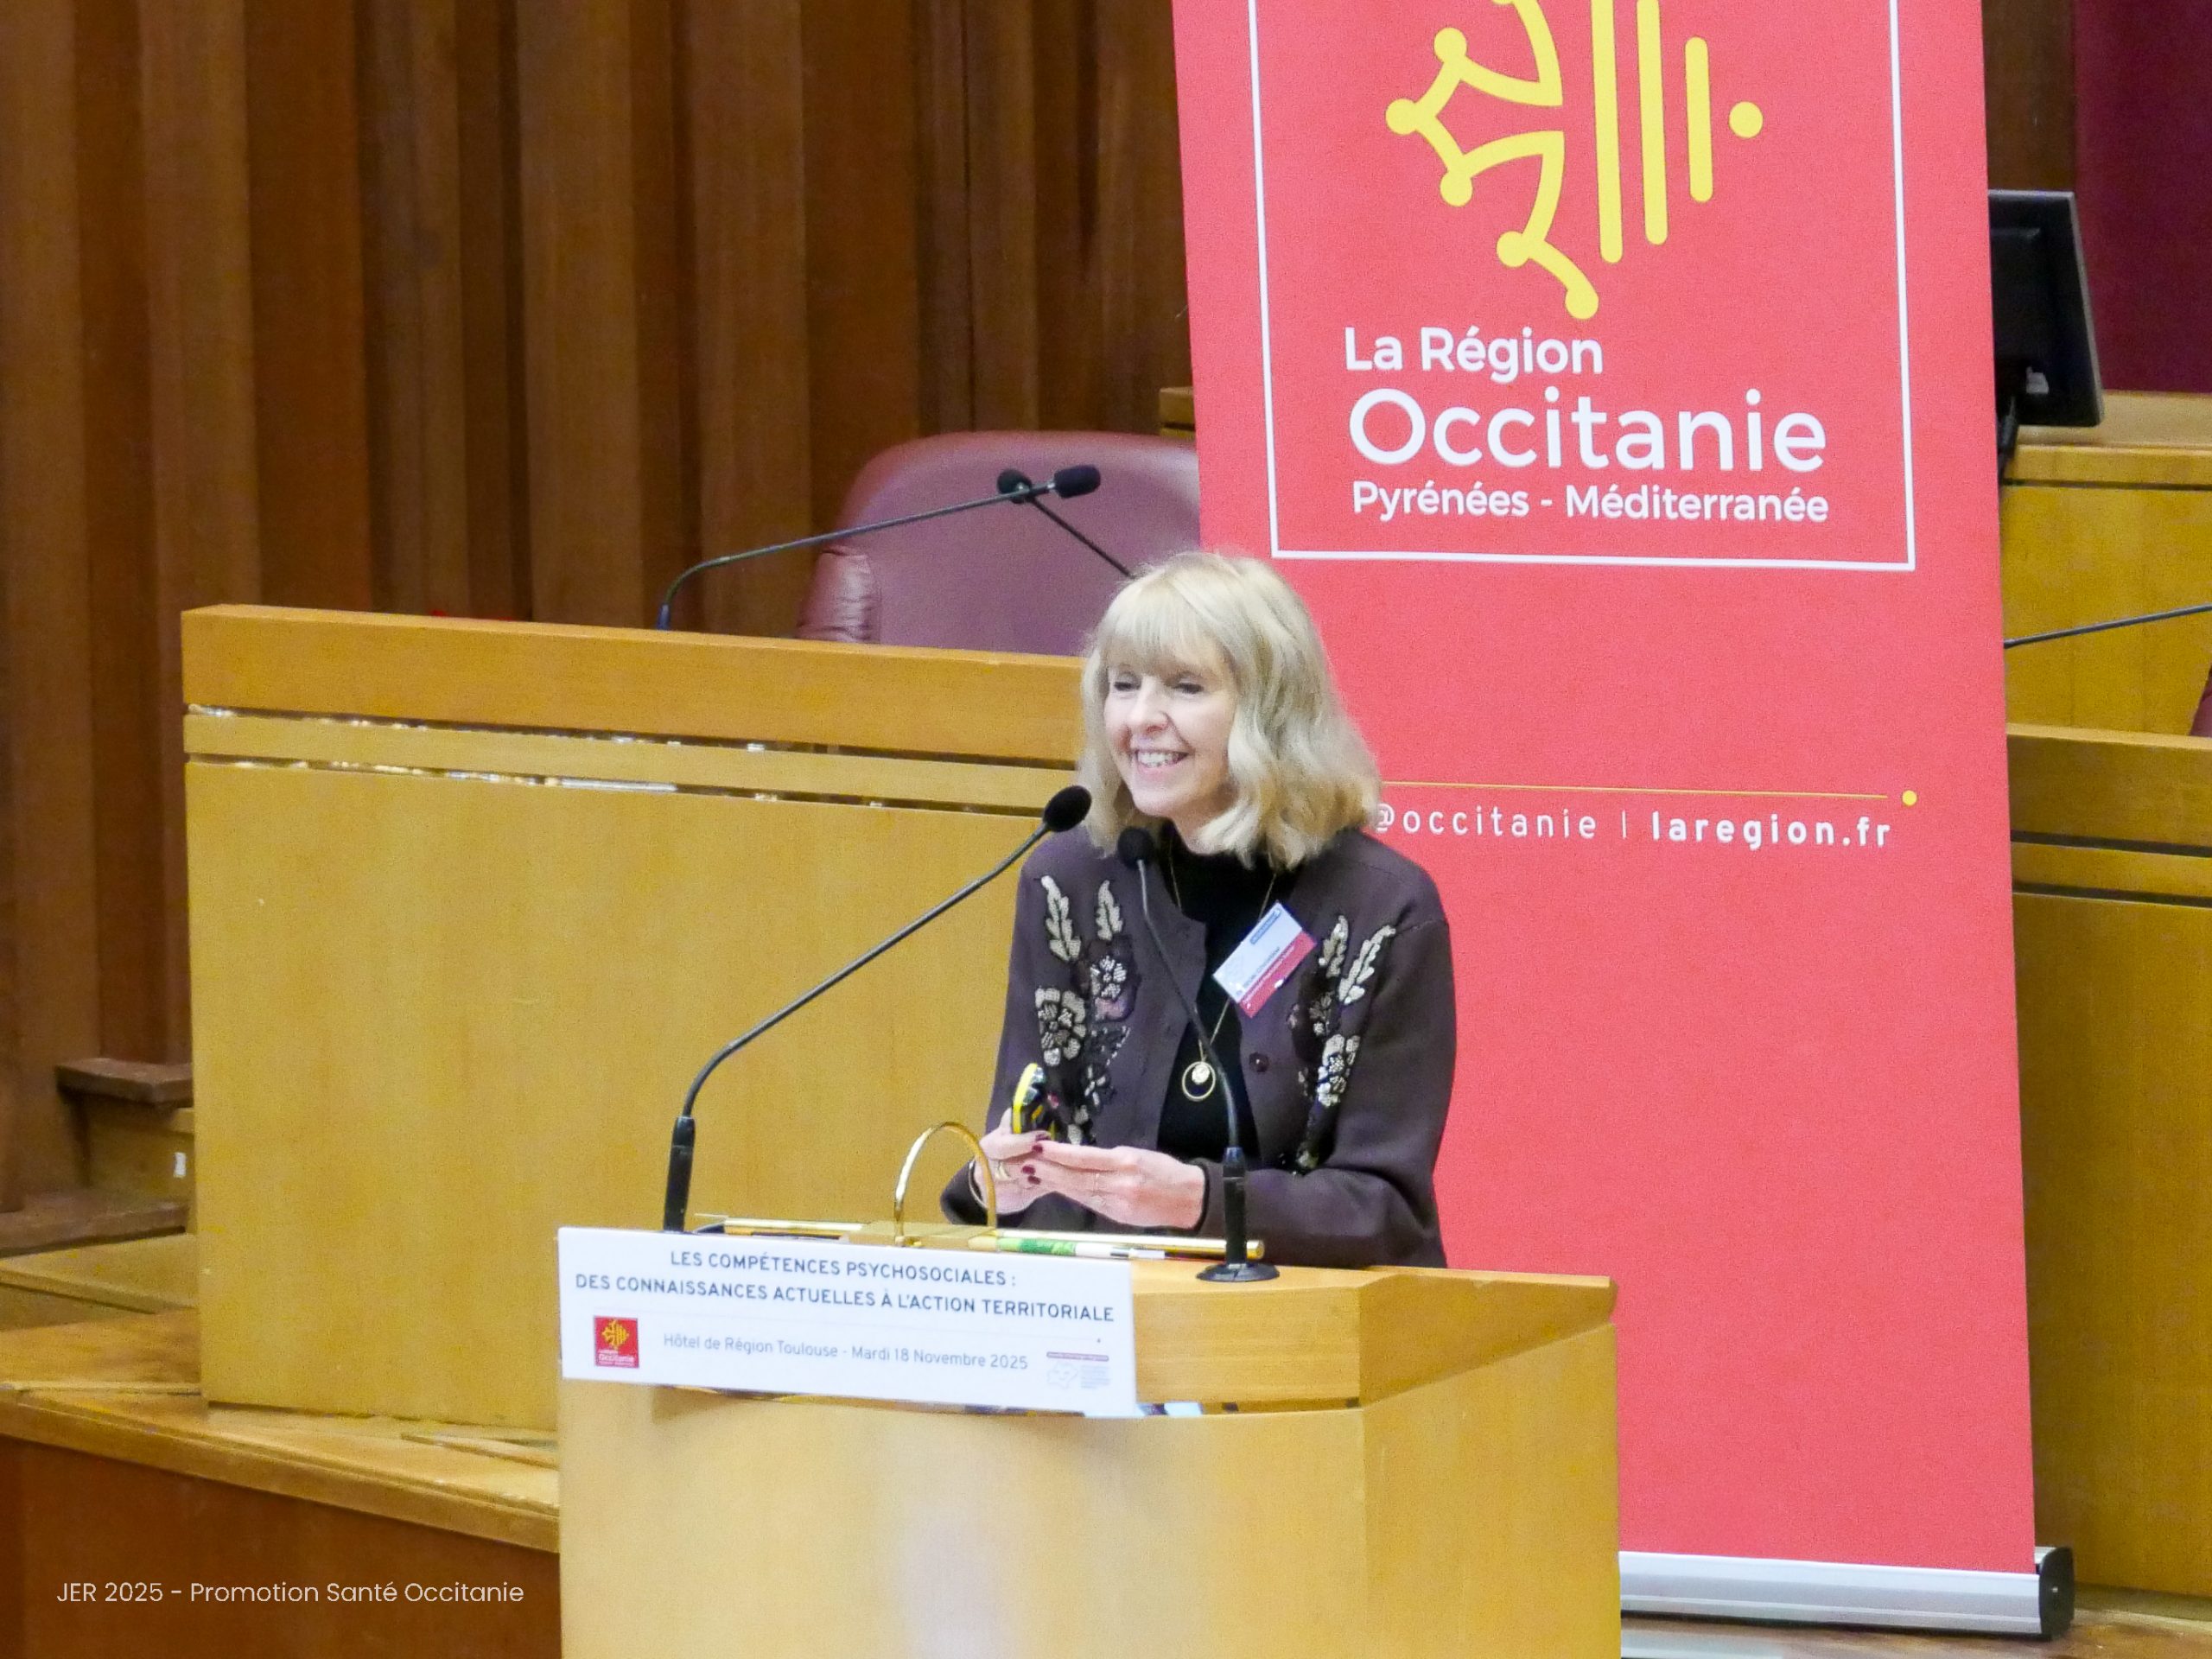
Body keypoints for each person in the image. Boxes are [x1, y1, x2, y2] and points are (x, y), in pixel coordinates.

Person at [941, 551, 1456, 1268]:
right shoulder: (1072, 881)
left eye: (1184, 688)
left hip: (1304, 1331)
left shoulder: (1380, 906)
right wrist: (993, 1180)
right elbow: (1030, 1140)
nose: (1142, 718)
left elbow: (1383, 1209)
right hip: (1104, 1337)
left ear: (1269, 711)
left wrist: (1201, 1201)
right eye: (1124, 686)